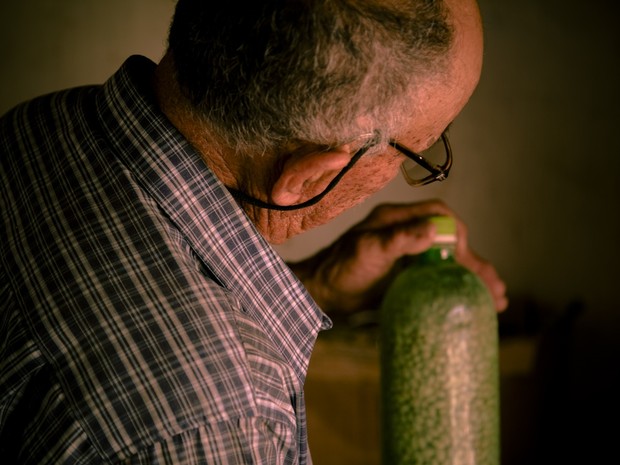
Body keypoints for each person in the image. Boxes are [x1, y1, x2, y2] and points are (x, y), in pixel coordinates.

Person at [0, 0, 506, 463]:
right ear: (311, 177)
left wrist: (318, 282)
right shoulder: (220, 428)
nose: (414, 168)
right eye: (423, 149)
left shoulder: (42, 125)